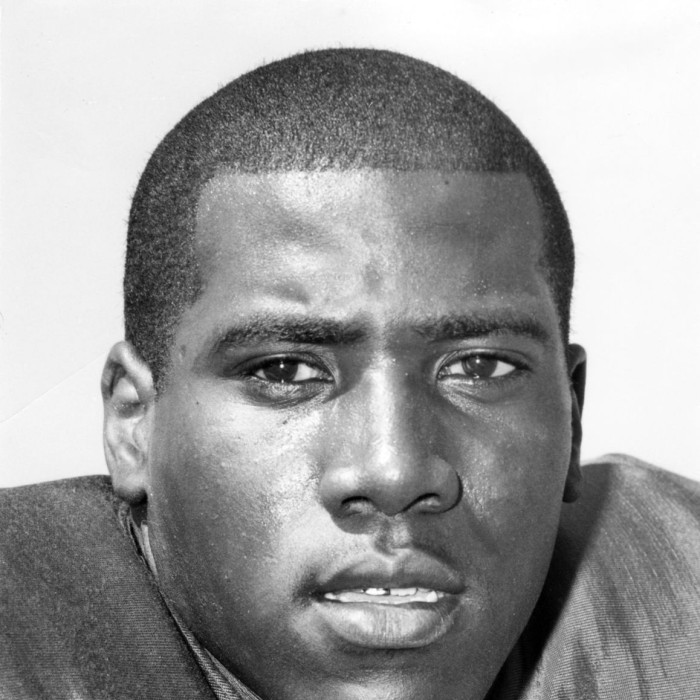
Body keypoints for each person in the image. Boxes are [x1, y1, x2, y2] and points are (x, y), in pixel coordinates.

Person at [1, 48, 698, 700]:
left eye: (479, 367)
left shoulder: (677, 605)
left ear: (571, 415)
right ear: (133, 423)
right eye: (284, 370)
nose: (394, 473)